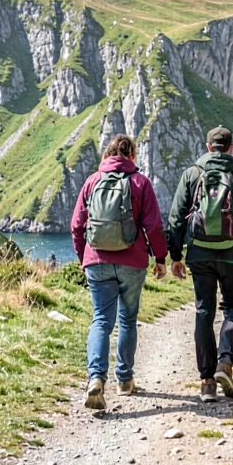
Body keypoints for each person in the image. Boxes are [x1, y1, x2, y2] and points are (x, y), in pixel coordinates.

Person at [167, 126, 233, 403]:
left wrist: (175, 255)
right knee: (232, 308)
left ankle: (207, 382)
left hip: (199, 254)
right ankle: (225, 362)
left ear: (208, 147)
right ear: (231, 148)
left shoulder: (192, 174)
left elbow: (176, 218)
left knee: (203, 312)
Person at [70, 134, 168, 410]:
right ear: (132, 156)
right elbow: (154, 226)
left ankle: (95, 379)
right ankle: (124, 380)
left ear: (107, 155)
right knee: (127, 319)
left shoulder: (92, 182)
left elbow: (77, 226)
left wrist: (83, 257)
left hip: (96, 261)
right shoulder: (140, 182)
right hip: (132, 262)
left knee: (101, 320)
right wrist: (160, 258)